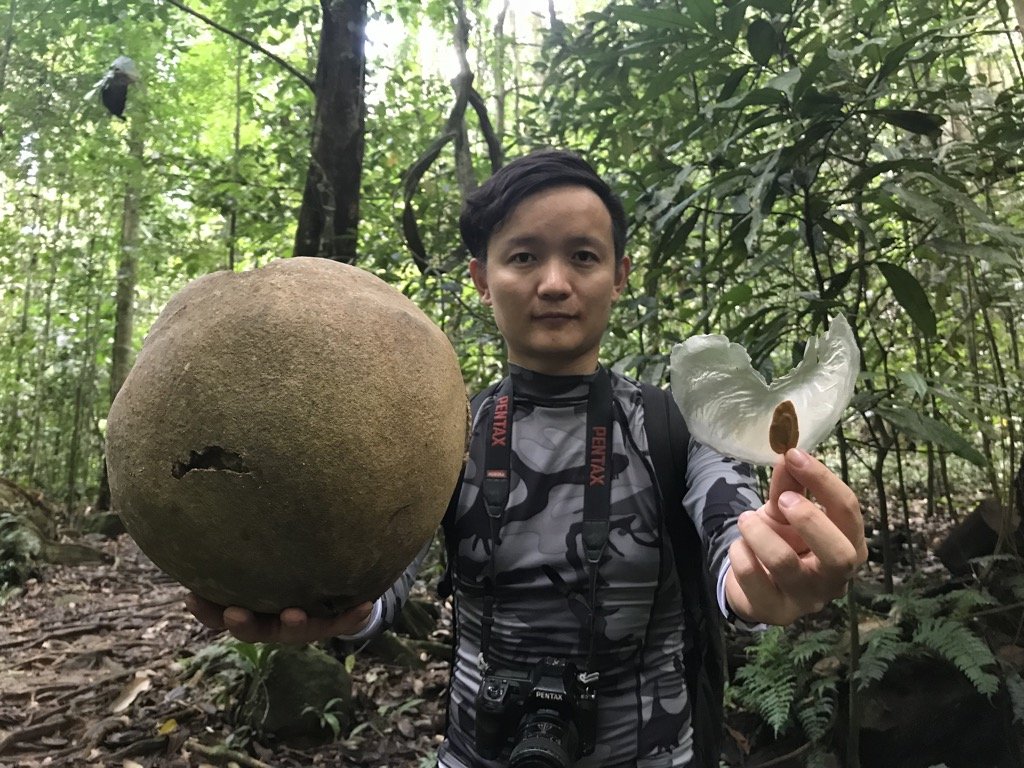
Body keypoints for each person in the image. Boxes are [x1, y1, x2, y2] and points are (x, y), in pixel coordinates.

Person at [187, 149, 867, 767]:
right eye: (522, 258)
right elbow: (382, 576)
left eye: (582, 256)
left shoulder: (677, 425)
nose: (552, 283)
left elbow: (732, 531)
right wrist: (333, 604)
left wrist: (764, 575)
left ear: (619, 276)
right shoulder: (442, 430)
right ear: (484, 279)